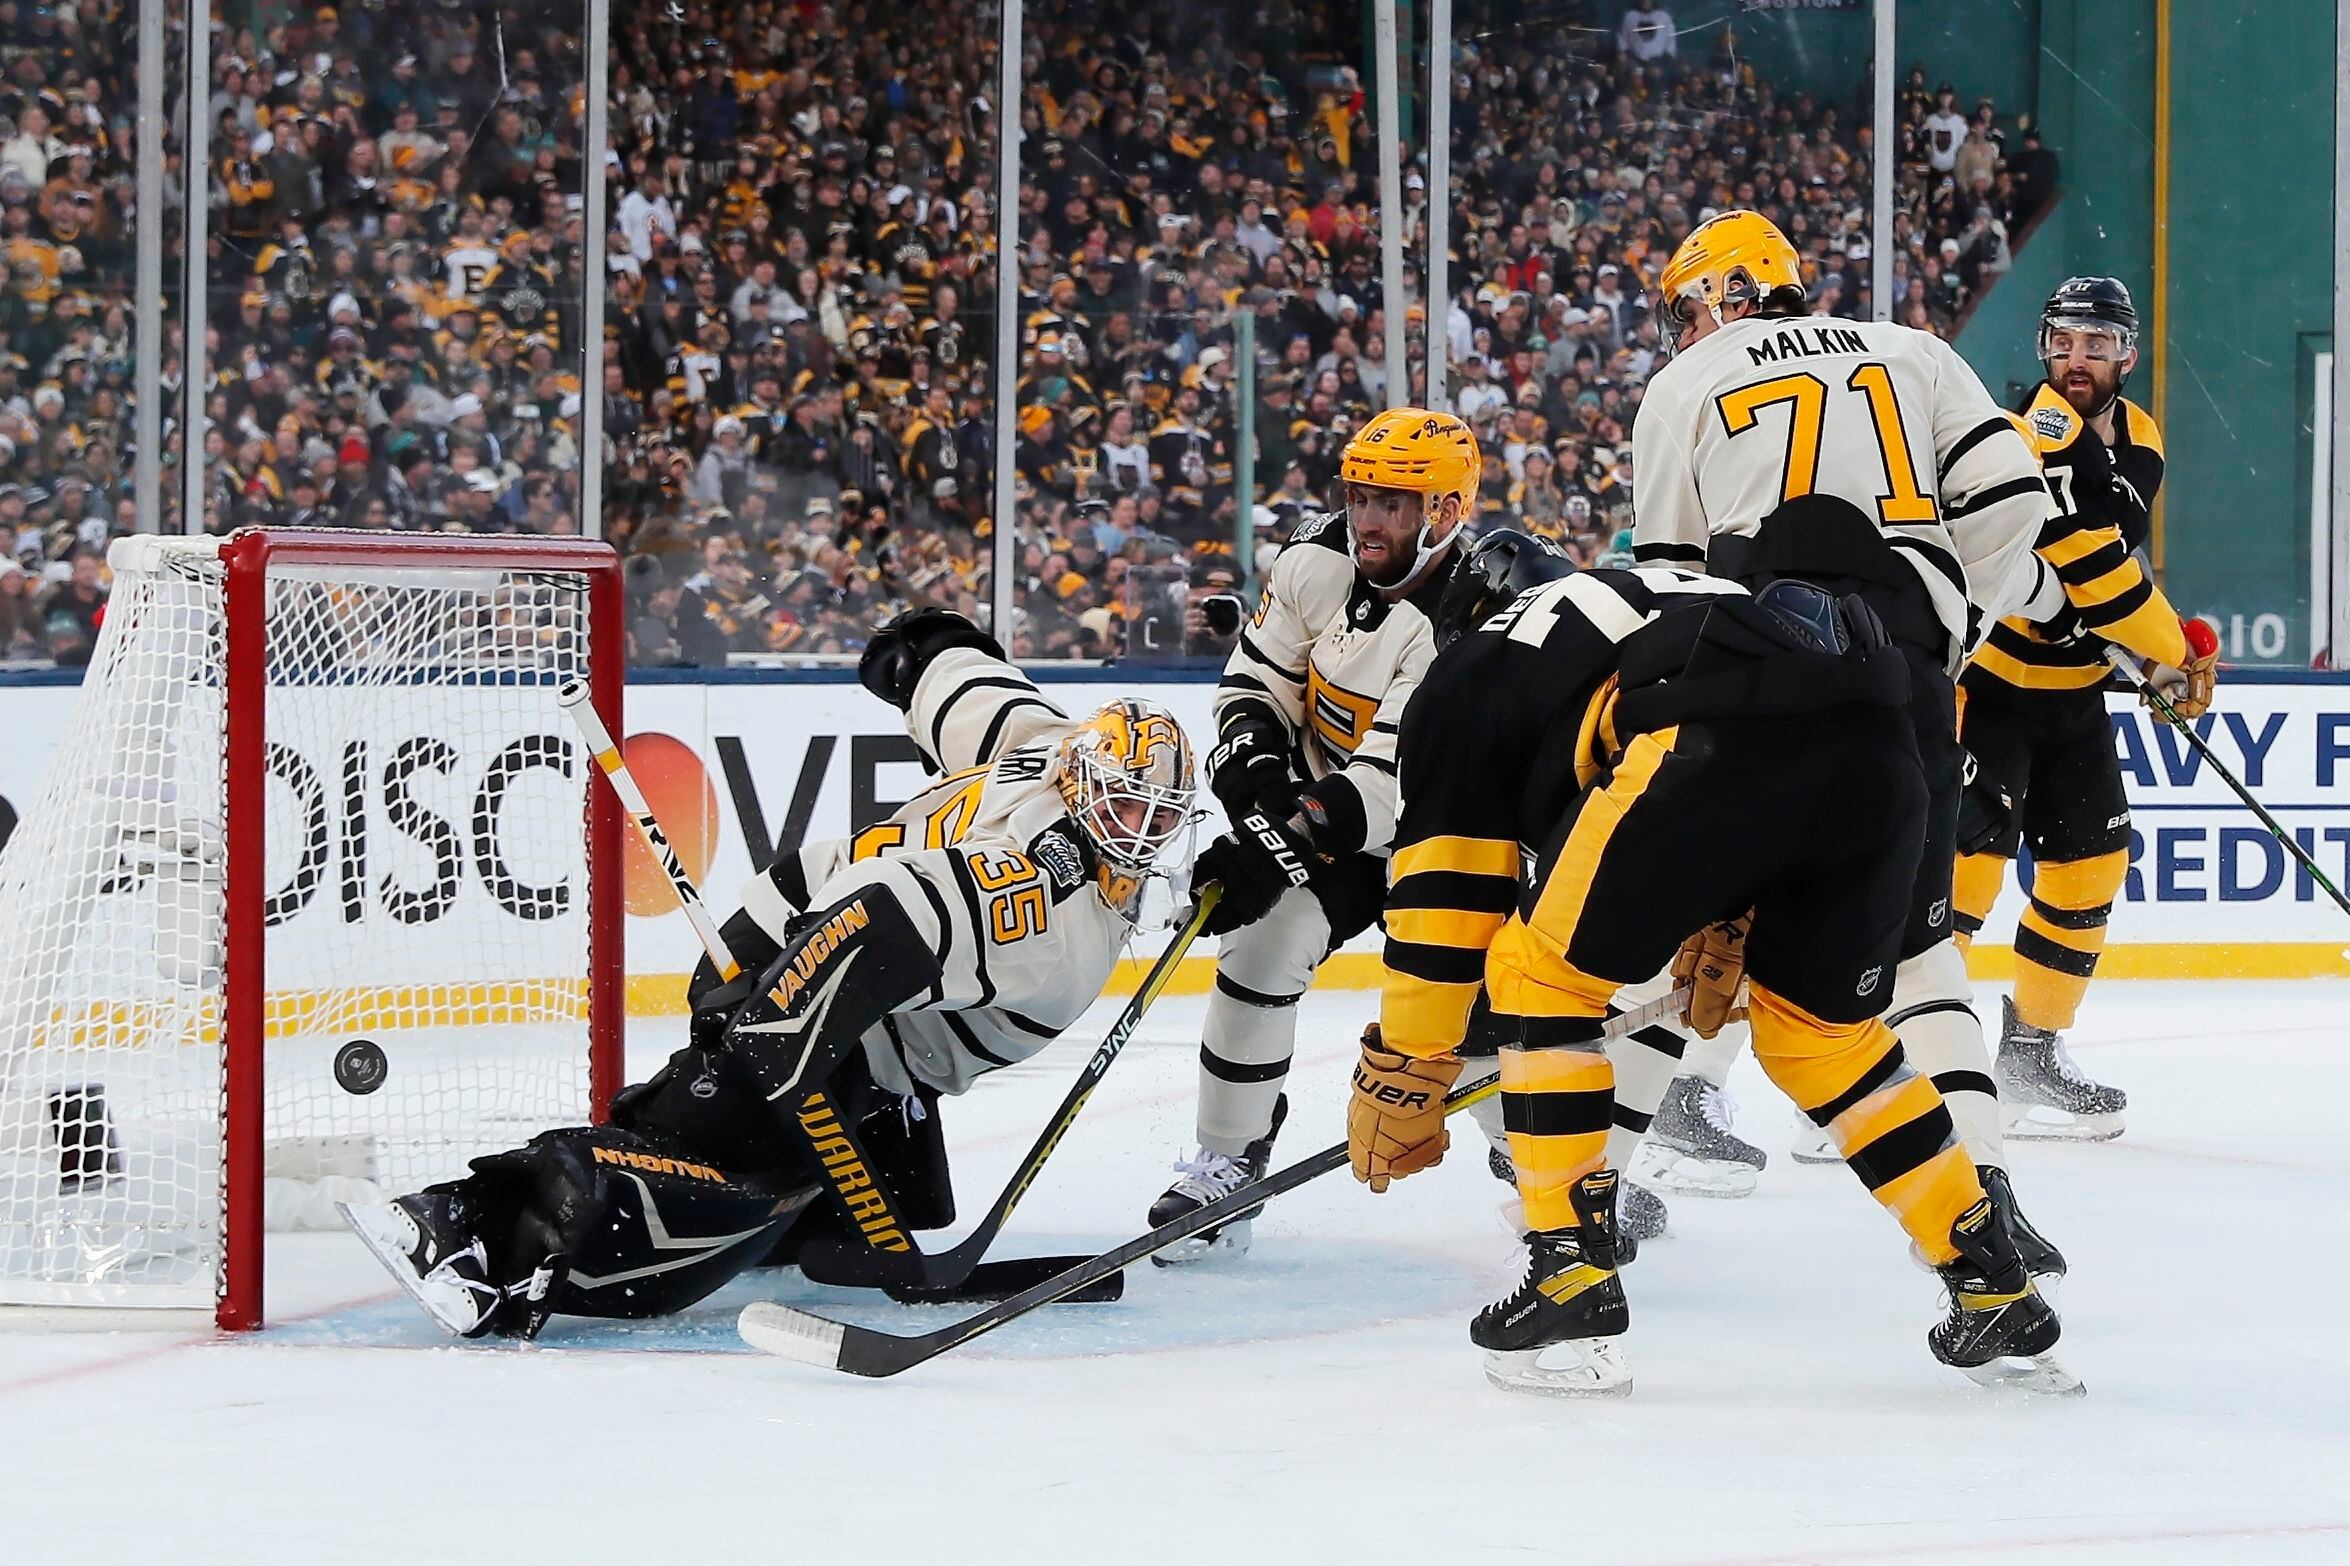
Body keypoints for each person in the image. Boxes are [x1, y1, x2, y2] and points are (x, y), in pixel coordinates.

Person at [342, 609, 1198, 1339]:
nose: (1140, 834)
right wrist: (777, 1018)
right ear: (1080, 777)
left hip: (849, 989)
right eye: (1126, 803)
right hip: (811, 957)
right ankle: (469, 1232)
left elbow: (968, 691)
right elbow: (887, 908)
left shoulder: (1042, 749)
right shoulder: (1044, 912)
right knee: (709, 1170)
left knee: (767, 1150)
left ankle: (809, 1214)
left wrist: (925, 654)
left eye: (1159, 818)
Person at [1354, 530, 2072, 1397]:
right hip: (1886, 747)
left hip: (1711, 744)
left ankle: (1569, 1275)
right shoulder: (1668, 592)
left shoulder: (1469, 671)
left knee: (1539, 978)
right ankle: (1993, 1280)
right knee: (1824, 1040)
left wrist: (1411, 1063)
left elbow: (1448, 900)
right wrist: (1728, 907)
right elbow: (1778, 714)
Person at [1626, 210, 2069, 1253]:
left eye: (1682, 309)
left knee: (1674, 948)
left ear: (1716, 294)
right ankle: (1984, 1200)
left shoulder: (1683, 387)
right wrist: (1942, 627)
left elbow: (1668, 582)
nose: (1679, 331)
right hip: (1899, 677)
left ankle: (1577, 1205)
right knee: (1919, 957)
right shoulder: (1913, 352)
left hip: (1749, 684)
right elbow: (2012, 502)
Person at [1145, 409, 1485, 1260]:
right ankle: (1228, 1162)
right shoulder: (1312, 561)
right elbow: (1250, 686)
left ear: (1445, 513)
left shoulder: (1468, 614)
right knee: (1261, 944)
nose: (1368, 519)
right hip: (1328, 814)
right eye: (1362, 495)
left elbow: (1390, 783)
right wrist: (1259, 787)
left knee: (1483, 1006)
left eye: (1395, 505)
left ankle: (1547, 1167)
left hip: (1446, 832)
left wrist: (1276, 840)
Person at [1951, 277, 2218, 1138]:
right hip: (1990, 687)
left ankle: (2030, 1051)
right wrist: (2168, 650)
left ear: (2126, 355)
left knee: (2090, 865)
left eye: (2096, 345)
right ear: (2042, 346)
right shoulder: (2030, 431)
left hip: (2072, 695)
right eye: (2064, 341)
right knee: (1959, 881)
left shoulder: (2140, 435)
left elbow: (2107, 563)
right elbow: (2087, 563)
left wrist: (2135, 639)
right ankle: (1899, 1068)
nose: (2077, 359)